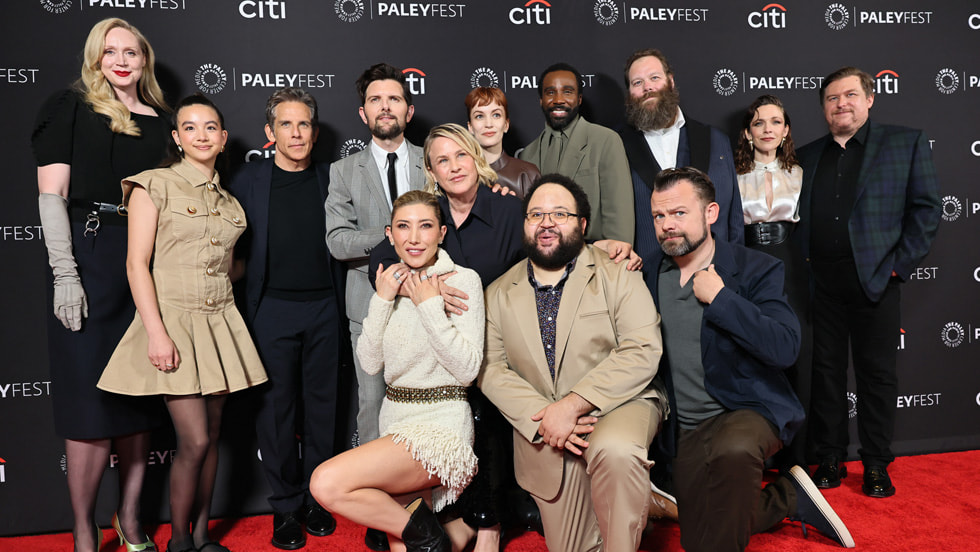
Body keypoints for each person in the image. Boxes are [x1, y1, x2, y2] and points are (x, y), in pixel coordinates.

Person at [645, 167, 853, 551]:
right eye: (659, 215)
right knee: (702, 533)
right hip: (686, 429)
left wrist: (722, 299)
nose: (667, 225)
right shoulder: (646, 274)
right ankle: (786, 497)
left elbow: (785, 347)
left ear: (710, 213)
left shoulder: (755, 268)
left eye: (679, 213)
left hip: (746, 409)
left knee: (734, 452)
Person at [97, 94, 268, 552]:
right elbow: (137, 264)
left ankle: (201, 535)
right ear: (176, 137)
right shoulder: (153, 185)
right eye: (189, 127)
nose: (201, 135)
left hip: (220, 322)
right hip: (172, 320)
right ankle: (179, 542)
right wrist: (156, 332)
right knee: (194, 439)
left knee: (211, 437)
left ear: (224, 138)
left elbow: (229, 268)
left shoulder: (231, 204)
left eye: (210, 127)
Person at [31, 17, 169, 552]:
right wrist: (65, 273)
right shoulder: (69, 106)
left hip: (145, 262)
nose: (121, 60)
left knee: (139, 398)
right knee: (88, 406)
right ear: (95, 58)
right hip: (88, 255)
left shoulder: (163, 122)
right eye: (110, 51)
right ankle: (83, 529)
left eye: (130, 51)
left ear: (144, 59)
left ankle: (129, 518)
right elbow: (52, 197)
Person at [479, 174, 666, 552]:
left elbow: (642, 348)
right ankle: (641, 498)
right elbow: (491, 369)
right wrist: (546, 416)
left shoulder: (617, 271)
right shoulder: (497, 293)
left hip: (618, 405)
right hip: (546, 427)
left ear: (582, 224)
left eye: (560, 214)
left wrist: (572, 405)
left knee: (616, 451)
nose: (546, 222)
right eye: (536, 214)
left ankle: (630, 496)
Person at [311, 190, 484, 552]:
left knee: (325, 482)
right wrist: (382, 299)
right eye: (404, 227)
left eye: (426, 226)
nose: (414, 237)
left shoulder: (462, 280)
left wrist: (430, 307)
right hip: (395, 424)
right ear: (390, 235)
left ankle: (435, 539)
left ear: (442, 233)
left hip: (441, 427)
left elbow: (467, 369)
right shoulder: (388, 284)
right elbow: (370, 362)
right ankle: (440, 539)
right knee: (404, 543)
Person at [798, 67, 941, 498]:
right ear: (823, 107)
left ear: (870, 99)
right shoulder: (807, 155)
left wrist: (898, 266)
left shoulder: (904, 143)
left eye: (850, 95)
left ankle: (876, 463)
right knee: (826, 375)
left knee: (877, 376)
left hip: (876, 281)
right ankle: (829, 457)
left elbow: (926, 208)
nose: (841, 104)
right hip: (822, 283)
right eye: (832, 98)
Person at [229, 87, 346, 550]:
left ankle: (318, 498)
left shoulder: (332, 178)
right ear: (270, 132)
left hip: (326, 307)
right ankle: (285, 507)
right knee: (275, 411)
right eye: (286, 124)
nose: (296, 133)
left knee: (323, 408)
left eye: (304, 124)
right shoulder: (247, 180)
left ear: (314, 132)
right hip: (271, 308)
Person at [324, 62, 427, 550]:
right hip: (369, 308)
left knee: (428, 403)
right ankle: (380, 513)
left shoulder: (434, 159)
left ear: (409, 109)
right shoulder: (344, 171)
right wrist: (394, 236)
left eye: (394, 99)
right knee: (372, 407)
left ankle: (427, 505)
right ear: (363, 113)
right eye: (375, 100)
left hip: (430, 303)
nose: (385, 107)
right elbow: (338, 241)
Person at [734, 94, 810, 468]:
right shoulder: (731, 176)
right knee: (752, 355)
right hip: (747, 265)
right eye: (759, 123)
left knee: (793, 356)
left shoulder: (801, 173)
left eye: (776, 122)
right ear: (748, 133)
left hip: (790, 266)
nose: (768, 129)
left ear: (786, 130)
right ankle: (756, 453)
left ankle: (796, 458)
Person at [619, 48, 743, 270]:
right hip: (646, 276)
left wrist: (733, 271)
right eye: (637, 83)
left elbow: (733, 216)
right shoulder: (617, 145)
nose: (648, 87)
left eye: (654, 78)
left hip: (714, 273)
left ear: (671, 81)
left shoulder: (715, 140)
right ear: (629, 92)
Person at [519, 62, 634, 243]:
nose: (558, 99)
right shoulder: (527, 155)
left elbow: (619, 216)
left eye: (567, 92)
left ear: (579, 99)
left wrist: (617, 253)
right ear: (541, 100)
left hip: (595, 255)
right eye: (550, 92)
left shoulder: (605, 141)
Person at [464, 87, 540, 198]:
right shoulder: (460, 174)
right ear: (470, 127)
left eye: (496, 115)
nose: (488, 124)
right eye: (479, 116)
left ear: (506, 124)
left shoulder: (528, 174)